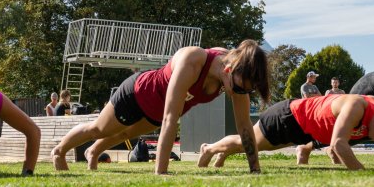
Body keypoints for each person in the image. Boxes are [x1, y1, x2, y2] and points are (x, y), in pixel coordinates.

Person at [50, 39, 270, 174]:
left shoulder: (239, 76)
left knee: (123, 134)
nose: (240, 95)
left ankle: (93, 151)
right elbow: (170, 118)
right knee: (99, 129)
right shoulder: (193, 60)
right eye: (240, 90)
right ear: (229, 70)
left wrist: (255, 169)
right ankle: (59, 152)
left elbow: (244, 126)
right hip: (137, 94)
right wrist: (161, 171)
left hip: (154, 111)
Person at [198, 93, 374, 170]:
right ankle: (210, 148)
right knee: (248, 144)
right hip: (289, 117)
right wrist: (362, 172)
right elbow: (338, 144)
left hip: (305, 131)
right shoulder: (357, 106)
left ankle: (223, 151)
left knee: (250, 147)